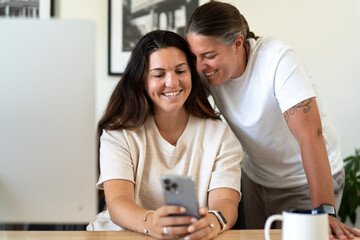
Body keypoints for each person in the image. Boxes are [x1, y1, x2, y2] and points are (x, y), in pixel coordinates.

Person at [186, 1, 360, 239]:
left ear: (237, 43)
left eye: (208, 55)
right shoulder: (207, 71)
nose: (199, 66)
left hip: (305, 180)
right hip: (257, 179)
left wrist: (324, 211)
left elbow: (310, 135)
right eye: (194, 56)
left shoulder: (276, 59)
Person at [86, 30, 243, 240]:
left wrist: (213, 222)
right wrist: (150, 222)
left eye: (180, 71)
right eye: (159, 75)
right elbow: (117, 202)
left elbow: (226, 201)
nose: (172, 83)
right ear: (141, 81)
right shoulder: (119, 134)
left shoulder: (220, 135)